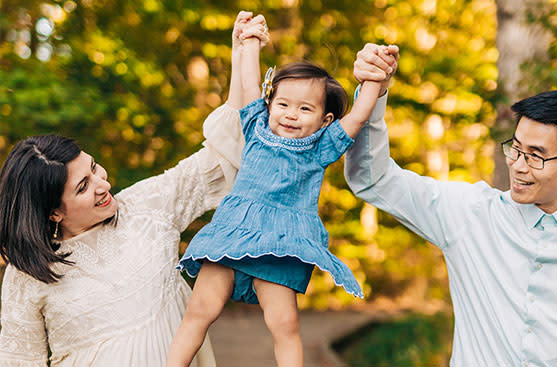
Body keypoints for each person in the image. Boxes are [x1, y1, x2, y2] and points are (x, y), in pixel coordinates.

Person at [347, 44, 557, 366]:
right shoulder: (469, 213)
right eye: (516, 148)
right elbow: (373, 178)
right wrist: (373, 92)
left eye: (536, 156)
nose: (518, 165)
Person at [0, 12, 269, 367]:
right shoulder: (28, 273)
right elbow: (19, 362)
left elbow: (223, 153)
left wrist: (242, 54)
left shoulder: (148, 204)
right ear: (53, 211)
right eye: (83, 187)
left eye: (94, 168)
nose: (102, 184)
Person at [166, 18, 392, 367]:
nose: (290, 114)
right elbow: (249, 83)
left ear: (325, 120)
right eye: (283, 104)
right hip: (232, 232)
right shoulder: (256, 126)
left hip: (282, 244)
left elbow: (359, 116)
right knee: (199, 310)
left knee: (285, 324)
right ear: (270, 104)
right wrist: (251, 41)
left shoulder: (321, 147)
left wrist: (375, 79)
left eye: (305, 109)